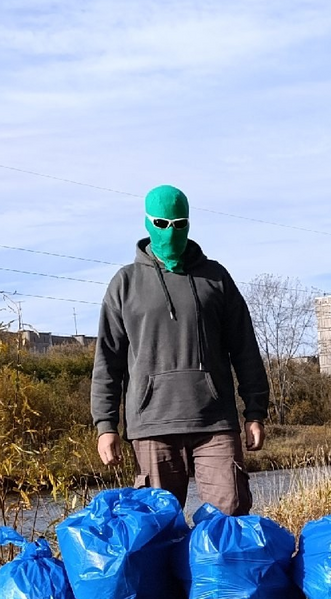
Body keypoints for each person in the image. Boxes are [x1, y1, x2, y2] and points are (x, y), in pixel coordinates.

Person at [91, 184, 269, 515]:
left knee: (229, 522)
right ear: (147, 223)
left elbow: (245, 348)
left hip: (215, 425)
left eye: (178, 224)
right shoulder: (125, 283)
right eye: (161, 224)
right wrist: (106, 425)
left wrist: (255, 412)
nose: (170, 231)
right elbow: (108, 362)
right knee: (158, 530)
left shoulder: (215, 278)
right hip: (152, 426)